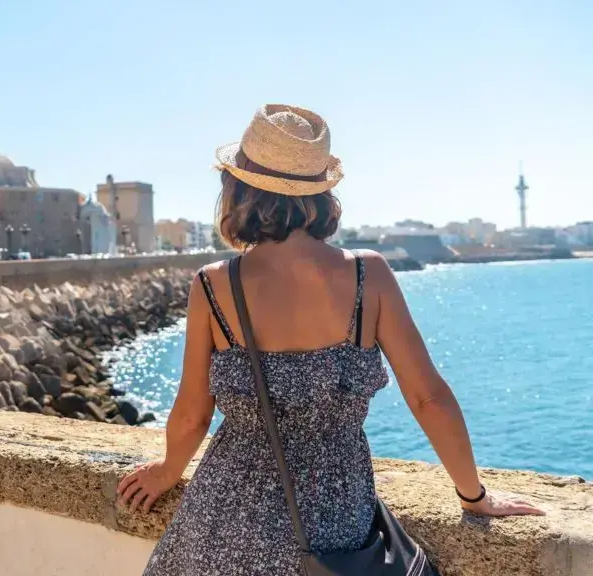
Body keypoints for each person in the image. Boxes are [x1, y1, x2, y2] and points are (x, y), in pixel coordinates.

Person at [117, 104, 543, 575]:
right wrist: (474, 495)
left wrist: (167, 473)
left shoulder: (214, 284)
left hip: (222, 513)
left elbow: (193, 415)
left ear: (238, 189)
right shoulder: (368, 275)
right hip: (331, 519)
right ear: (320, 194)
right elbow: (428, 399)